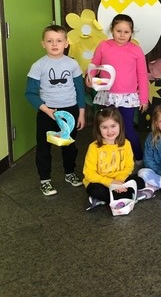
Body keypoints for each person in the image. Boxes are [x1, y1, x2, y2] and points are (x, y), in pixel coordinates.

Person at [26, 25, 86, 196]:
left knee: (69, 145)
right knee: (44, 148)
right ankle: (45, 181)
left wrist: (81, 113)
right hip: (47, 113)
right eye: (49, 41)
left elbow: (80, 90)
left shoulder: (72, 64)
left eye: (59, 40)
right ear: (43, 43)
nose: (54, 44)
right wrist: (47, 110)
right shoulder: (38, 66)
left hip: (70, 112)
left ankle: (69, 173)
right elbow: (30, 93)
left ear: (66, 43)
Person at [87, 14, 149, 161]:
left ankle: (139, 159)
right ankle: (108, 159)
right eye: (118, 31)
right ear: (112, 30)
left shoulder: (136, 50)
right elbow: (94, 64)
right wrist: (90, 77)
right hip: (107, 95)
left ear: (131, 33)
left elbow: (142, 75)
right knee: (106, 129)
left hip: (128, 97)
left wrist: (144, 98)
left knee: (127, 129)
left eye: (126, 32)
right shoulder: (103, 46)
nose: (122, 35)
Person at [83, 107, 153, 210]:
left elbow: (129, 166)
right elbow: (89, 173)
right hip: (102, 183)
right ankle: (129, 196)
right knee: (95, 190)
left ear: (120, 125)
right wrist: (111, 183)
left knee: (140, 181)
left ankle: (108, 199)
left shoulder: (126, 144)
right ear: (98, 129)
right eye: (104, 127)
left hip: (121, 180)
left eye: (113, 126)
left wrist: (119, 181)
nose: (109, 131)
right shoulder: (94, 147)